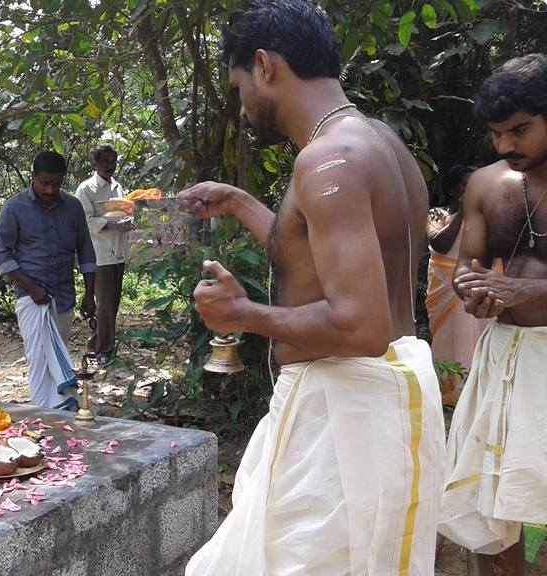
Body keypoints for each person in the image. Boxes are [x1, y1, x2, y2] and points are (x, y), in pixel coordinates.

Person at [176, 2, 444, 574]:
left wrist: (242, 314)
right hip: (373, 399)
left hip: (343, 411)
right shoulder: (379, 143)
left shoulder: (329, 160)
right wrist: (242, 203)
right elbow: (328, 259)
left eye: (239, 87)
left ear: (265, 65)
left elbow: (361, 326)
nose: (243, 110)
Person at [439, 53, 547, 576]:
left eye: (520, 130)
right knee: (487, 500)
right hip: (501, 356)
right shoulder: (486, 184)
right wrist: (473, 292)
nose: (506, 146)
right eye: (497, 134)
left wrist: (521, 288)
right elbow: (467, 268)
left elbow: (517, 285)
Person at [0, 151, 97, 410]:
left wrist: (90, 294)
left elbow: (86, 252)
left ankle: (60, 411)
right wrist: (31, 288)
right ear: (33, 178)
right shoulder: (14, 208)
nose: (50, 190)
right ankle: (45, 413)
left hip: (63, 298)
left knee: (56, 353)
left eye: (56, 184)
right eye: (44, 183)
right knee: (40, 360)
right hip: (31, 299)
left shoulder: (73, 208)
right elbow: (2, 255)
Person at [426, 165, 491, 404]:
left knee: (478, 336)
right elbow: (440, 243)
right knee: (450, 338)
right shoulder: (436, 215)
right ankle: (449, 395)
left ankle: (476, 394)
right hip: (445, 292)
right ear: (454, 190)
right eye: (466, 186)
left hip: (472, 286)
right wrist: (463, 212)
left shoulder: (484, 219)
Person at [75, 144, 132, 366]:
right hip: (100, 255)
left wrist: (126, 222)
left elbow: (123, 212)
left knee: (112, 304)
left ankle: (95, 343)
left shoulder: (118, 187)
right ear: (95, 163)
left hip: (118, 252)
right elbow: (85, 221)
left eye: (113, 161)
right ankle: (104, 350)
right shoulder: (86, 189)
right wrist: (109, 223)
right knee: (106, 305)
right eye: (105, 162)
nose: (110, 166)